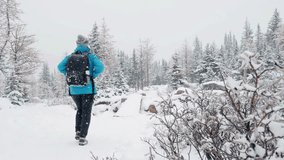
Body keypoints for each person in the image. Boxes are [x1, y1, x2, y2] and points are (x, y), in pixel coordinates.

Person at [57, 35, 104, 146]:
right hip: (87, 89)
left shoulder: (70, 56)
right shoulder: (90, 56)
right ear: (87, 44)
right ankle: (83, 137)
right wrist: (92, 75)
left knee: (80, 110)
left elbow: (60, 67)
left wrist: (68, 74)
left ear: (77, 44)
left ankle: (78, 132)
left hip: (74, 89)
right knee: (86, 112)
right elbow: (101, 67)